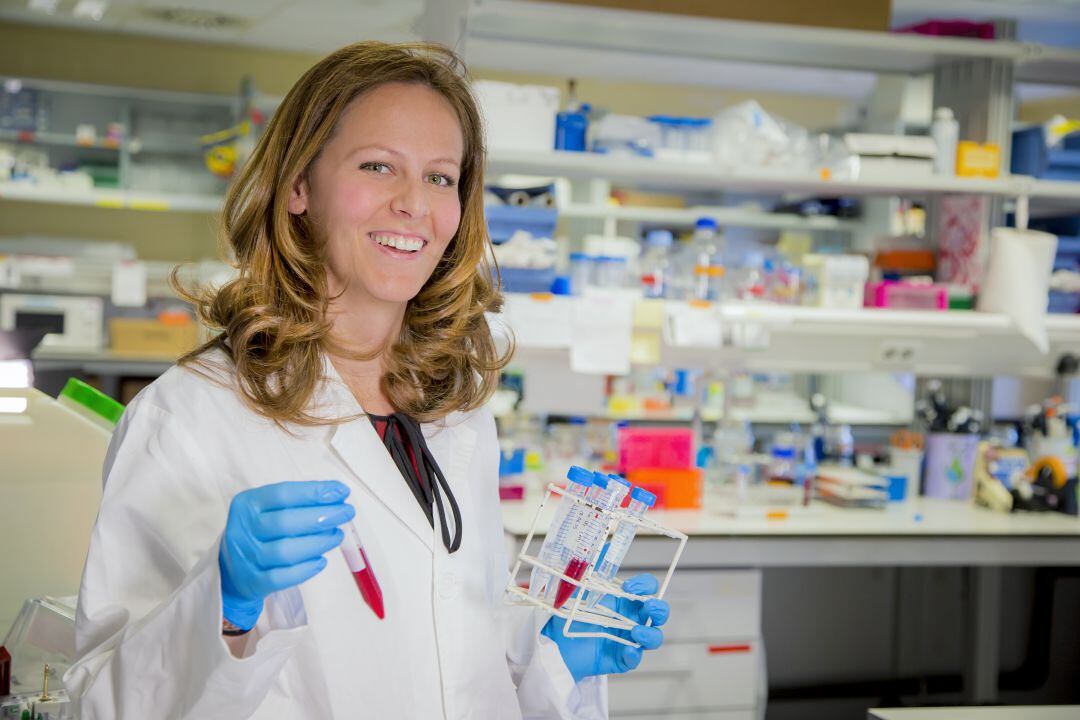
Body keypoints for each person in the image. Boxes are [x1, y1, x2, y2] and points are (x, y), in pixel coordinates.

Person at [64, 42, 670, 719]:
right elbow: (97, 704)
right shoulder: (192, 415)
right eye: (378, 166)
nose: (415, 204)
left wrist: (552, 658)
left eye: (441, 177)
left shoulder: (455, 413)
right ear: (299, 186)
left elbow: (445, 651)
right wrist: (224, 607)